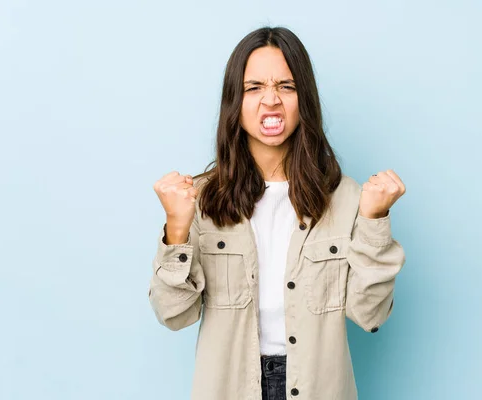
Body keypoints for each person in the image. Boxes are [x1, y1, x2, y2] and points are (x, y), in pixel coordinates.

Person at [148, 26, 406, 400]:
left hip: (320, 387)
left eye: (286, 86)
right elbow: (174, 314)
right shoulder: (201, 200)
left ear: (305, 99)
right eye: (254, 88)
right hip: (232, 386)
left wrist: (374, 222)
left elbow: (370, 315)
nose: (271, 100)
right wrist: (176, 228)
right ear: (235, 102)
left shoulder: (348, 197)